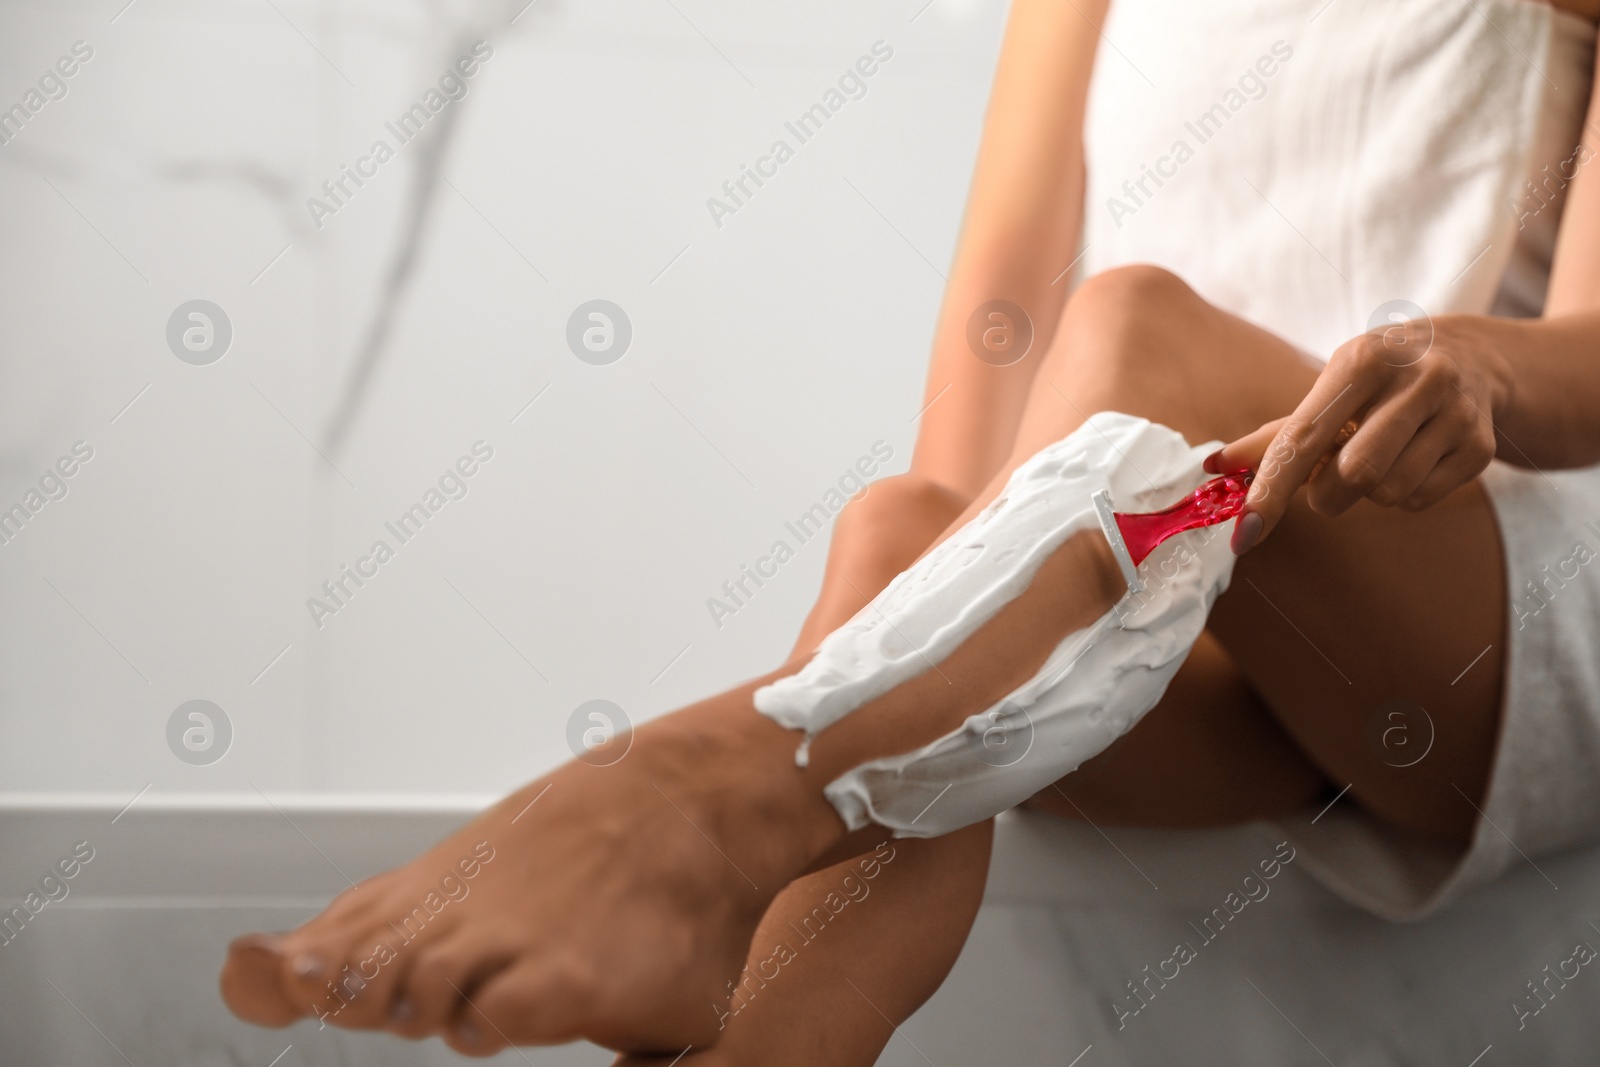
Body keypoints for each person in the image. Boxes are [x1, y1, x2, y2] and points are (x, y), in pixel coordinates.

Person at [220, 0, 1600, 1061]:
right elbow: (1004, 285)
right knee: (902, 526)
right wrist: (942, 591)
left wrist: (1469, 362)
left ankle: (726, 792)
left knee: (1131, 328)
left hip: (1468, 622)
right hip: (1192, 593)